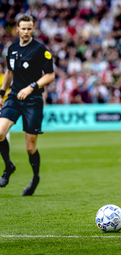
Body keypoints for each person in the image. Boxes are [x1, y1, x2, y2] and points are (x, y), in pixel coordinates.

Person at [0, 15, 55, 196]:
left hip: (33, 101)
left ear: (33, 29)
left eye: (29, 28)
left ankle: (35, 177)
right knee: (0, 133)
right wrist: (2, 93)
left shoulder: (40, 49)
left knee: (30, 147)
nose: (26, 32)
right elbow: (9, 72)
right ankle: (8, 166)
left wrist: (31, 87)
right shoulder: (12, 49)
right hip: (14, 97)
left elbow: (49, 75)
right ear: (17, 29)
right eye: (23, 28)